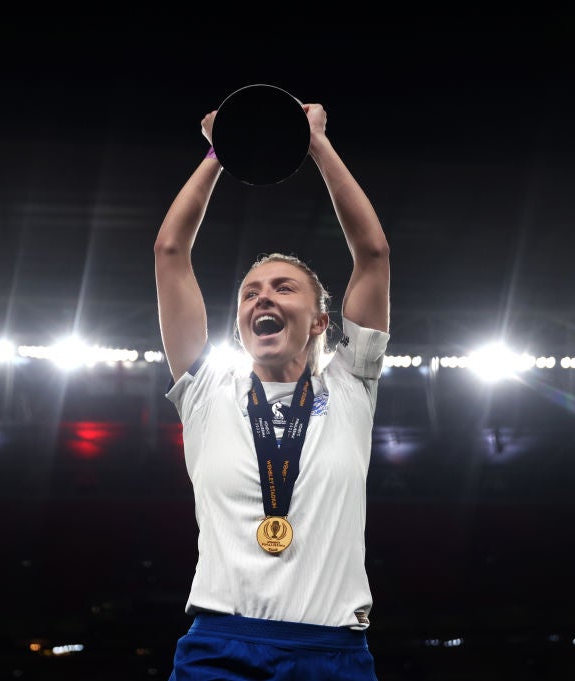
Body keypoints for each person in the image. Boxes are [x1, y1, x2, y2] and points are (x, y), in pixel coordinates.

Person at [154, 97, 390, 680]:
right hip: (220, 647)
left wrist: (315, 143)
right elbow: (170, 252)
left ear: (319, 323)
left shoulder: (352, 381)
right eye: (250, 291)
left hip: (331, 651)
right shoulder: (207, 389)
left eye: (284, 288)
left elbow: (373, 254)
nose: (263, 297)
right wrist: (218, 151)